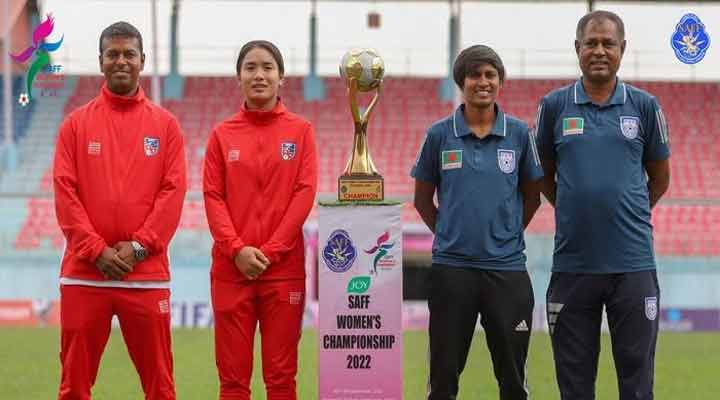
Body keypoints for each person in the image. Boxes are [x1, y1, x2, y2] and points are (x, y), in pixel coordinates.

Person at [534, 10, 671, 400]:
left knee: (637, 384)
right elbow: (541, 173)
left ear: (622, 48)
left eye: (608, 43)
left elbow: (660, 178)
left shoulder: (645, 106)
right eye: (590, 43)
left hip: (633, 265)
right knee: (574, 385)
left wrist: (629, 212)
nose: (599, 51)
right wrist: (571, 204)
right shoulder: (554, 106)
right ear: (577, 48)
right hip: (573, 265)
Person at [53, 21, 187, 399]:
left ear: (143, 60)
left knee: (160, 387)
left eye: (129, 54)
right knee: (74, 387)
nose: (121, 61)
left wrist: (140, 247)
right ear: (101, 62)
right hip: (84, 275)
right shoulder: (75, 125)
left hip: (146, 276)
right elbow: (65, 193)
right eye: (113, 54)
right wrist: (96, 251)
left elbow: (173, 193)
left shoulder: (166, 126)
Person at [412, 44, 544, 400]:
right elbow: (422, 200)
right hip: (452, 271)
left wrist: (507, 234)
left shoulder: (519, 134)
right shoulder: (439, 135)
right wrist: (449, 234)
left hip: (507, 272)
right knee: (443, 381)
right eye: (474, 75)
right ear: (461, 82)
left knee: (513, 381)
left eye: (490, 75)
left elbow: (533, 196)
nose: (482, 82)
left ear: (500, 81)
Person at [203, 40, 318, 400]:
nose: (259, 75)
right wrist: (236, 250)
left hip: (283, 271)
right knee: (233, 381)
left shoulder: (301, 131)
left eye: (267, 67)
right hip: (230, 270)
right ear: (238, 77)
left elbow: (304, 193)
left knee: (281, 379)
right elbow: (213, 197)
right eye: (250, 67)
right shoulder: (222, 135)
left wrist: (270, 251)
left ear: (281, 77)